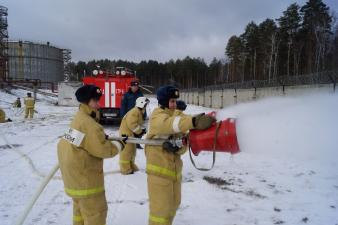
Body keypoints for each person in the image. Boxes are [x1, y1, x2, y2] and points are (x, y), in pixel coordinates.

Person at [145, 85, 215, 225]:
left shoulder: (176, 114)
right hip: (159, 175)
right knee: (160, 213)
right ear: (164, 101)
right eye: (171, 101)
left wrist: (179, 148)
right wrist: (194, 122)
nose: (174, 104)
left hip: (174, 174)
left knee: (173, 207)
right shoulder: (157, 116)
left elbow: (184, 143)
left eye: (175, 101)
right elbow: (170, 124)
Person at [57, 85, 126, 225]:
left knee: (80, 213)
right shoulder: (89, 124)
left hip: (74, 179)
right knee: (96, 215)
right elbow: (104, 150)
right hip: (86, 182)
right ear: (86, 101)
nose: (99, 104)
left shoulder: (79, 118)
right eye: (95, 101)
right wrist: (120, 144)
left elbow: (79, 140)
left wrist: (100, 137)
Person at [119, 96, 149, 175]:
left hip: (130, 134)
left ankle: (131, 165)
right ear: (141, 104)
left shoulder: (138, 112)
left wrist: (142, 130)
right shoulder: (134, 111)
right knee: (126, 151)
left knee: (132, 151)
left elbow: (137, 124)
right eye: (145, 105)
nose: (146, 106)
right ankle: (125, 168)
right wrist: (139, 131)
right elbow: (132, 124)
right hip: (125, 134)